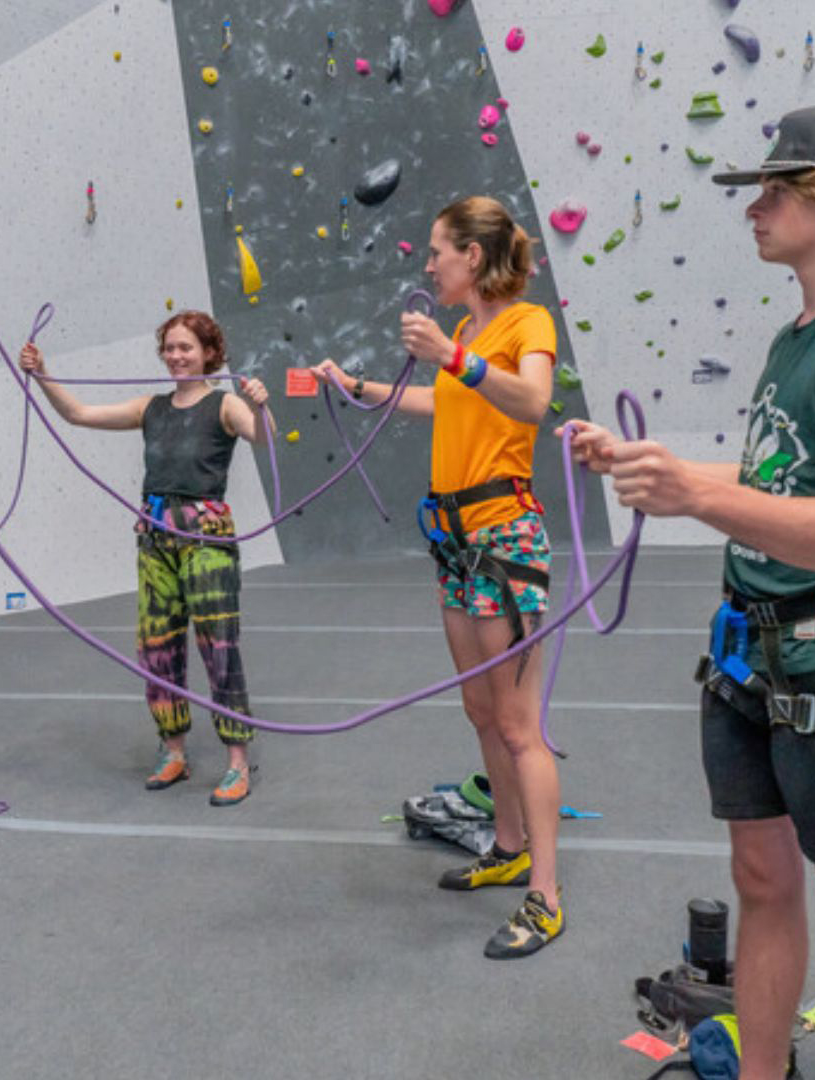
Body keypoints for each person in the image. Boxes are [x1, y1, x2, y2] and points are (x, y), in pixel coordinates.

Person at [567, 104, 815, 1079]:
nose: (759, 205)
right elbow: (783, 482)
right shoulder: (802, 333)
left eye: (780, 186)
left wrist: (692, 492)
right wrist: (662, 466)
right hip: (753, 652)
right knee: (761, 883)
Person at [314, 195, 565, 959]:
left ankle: (545, 896)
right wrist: (365, 389)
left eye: (437, 252)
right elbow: (449, 401)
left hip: (503, 535)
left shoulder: (527, 324)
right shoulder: (467, 331)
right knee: (480, 712)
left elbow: (531, 400)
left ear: (474, 257)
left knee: (520, 727)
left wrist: (453, 356)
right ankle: (509, 842)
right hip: (455, 541)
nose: (428, 265)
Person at [19, 311, 270, 806]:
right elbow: (79, 415)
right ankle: (173, 750)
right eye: (170, 348)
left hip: (206, 540)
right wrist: (43, 375)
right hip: (155, 538)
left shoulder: (226, 405)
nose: (176, 356)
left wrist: (261, 407)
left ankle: (237, 761)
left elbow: (262, 435)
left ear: (209, 353)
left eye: (187, 348)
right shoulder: (151, 408)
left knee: (219, 646)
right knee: (157, 649)